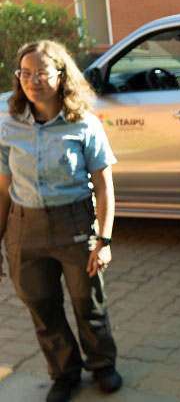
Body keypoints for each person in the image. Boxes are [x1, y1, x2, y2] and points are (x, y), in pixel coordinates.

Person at [0, 40, 122, 402]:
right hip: (25, 229)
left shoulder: (83, 123)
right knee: (42, 306)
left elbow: (104, 189)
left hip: (75, 225)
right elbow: (3, 189)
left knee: (88, 303)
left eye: (40, 73)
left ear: (61, 75)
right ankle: (64, 373)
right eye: (24, 73)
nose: (31, 80)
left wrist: (104, 240)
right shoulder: (7, 122)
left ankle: (102, 365)